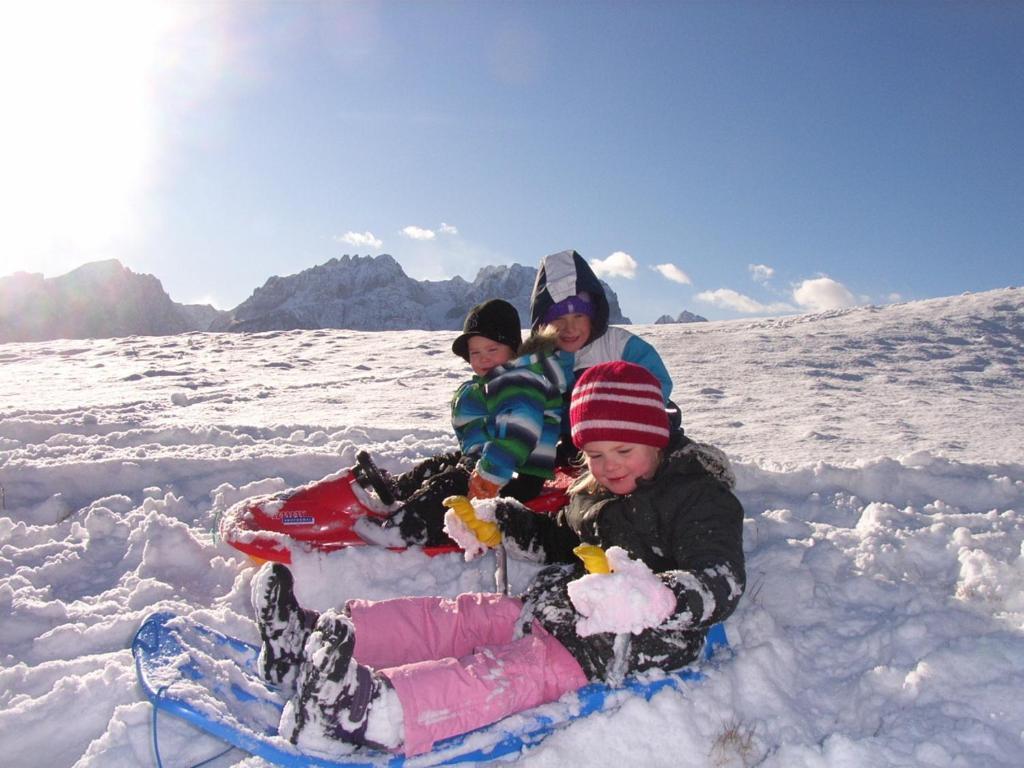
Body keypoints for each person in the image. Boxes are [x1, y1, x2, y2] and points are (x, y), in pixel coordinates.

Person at [252, 361, 745, 758]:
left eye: (623, 449)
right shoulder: (595, 490)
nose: (608, 465)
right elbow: (561, 541)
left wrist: (650, 598)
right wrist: (503, 523)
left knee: (504, 672)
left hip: (629, 641)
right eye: (594, 454)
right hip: (560, 605)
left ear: (656, 436)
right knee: (460, 619)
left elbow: (719, 580)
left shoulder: (698, 497)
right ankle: (310, 640)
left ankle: (369, 712)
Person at [367, 298, 569, 547]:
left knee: (452, 482)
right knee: (440, 464)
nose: (483, 358)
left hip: (517, 472)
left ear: (513, 350)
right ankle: (395, 494)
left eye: (492, 349)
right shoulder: (497, 380)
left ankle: (410, 528)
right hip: (491, 459)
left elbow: (518, 433)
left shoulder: (521, 381)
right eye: (476, 352)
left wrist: (489, 475)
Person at [529, 249, 673, 401]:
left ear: (593, 316)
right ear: (543, 325)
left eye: (579, 316)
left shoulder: (619, 346)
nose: (570, 328)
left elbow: (658, 383)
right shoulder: (540, 364)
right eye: (558, 318)